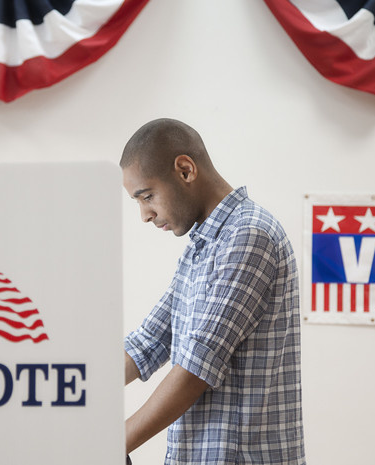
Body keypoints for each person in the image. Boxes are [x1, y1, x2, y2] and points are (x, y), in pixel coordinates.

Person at [121, 118, 305, 464]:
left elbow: (195, 369)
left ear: (185, 170)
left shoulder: (250, 236)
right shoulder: (202, 246)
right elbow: (149, 342)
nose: (145, 215)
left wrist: (111, 442)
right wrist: (69, 388)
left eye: (147, 196)